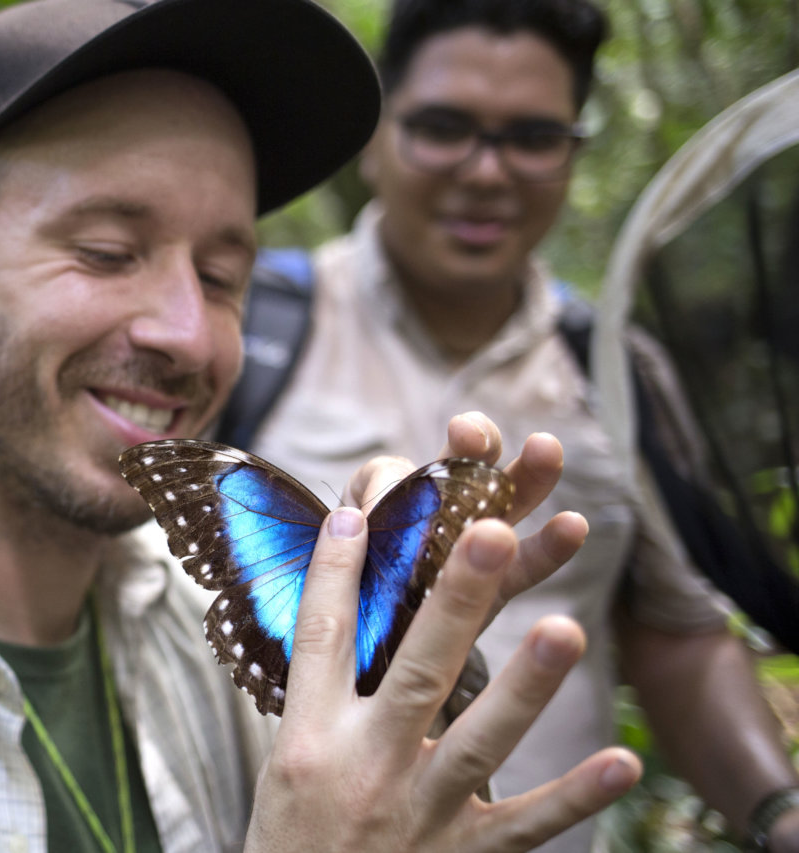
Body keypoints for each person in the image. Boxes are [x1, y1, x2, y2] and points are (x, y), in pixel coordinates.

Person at [0, 0, 645, 851]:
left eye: (224, 274)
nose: (189, 334)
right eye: (108, 252)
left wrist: (415, 668)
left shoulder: (198, 615)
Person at [233, 0, 799, 850]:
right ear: (379, 138)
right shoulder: (250, 332)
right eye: (444, 127)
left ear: (572, 155)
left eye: (532, 137)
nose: (487, 170)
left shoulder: (617, 369)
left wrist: (775, 811)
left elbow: (675, 635)